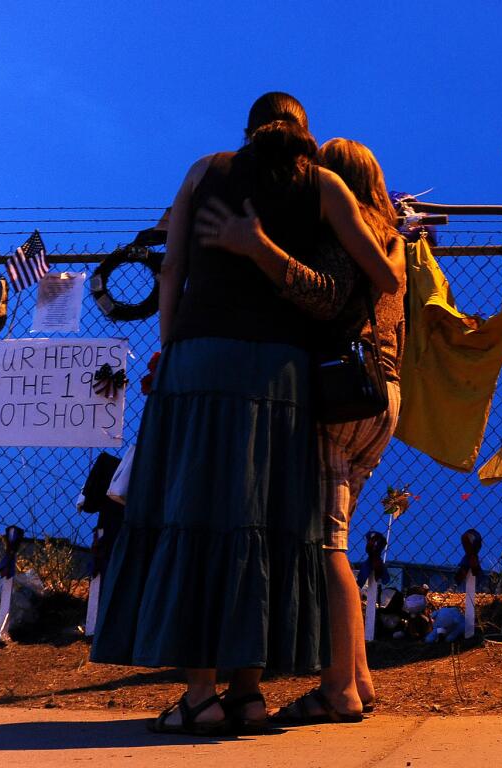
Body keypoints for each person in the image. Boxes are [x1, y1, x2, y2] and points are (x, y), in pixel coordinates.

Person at [90, 92, 399, 737]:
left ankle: (199, 693)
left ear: (249, 130)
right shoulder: (325, 186)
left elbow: (172, 269)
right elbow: (385, 275)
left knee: (197, 511)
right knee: (260, 519)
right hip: (282, 375)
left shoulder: (205, 172)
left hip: (201, 363)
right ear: (305, 134)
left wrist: (171, 352)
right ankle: (248, 694)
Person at [198, 138, 406, 724]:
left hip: (340, 397)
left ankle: (337, 688)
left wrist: (260, 251)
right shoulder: (391, 240)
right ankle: (360, 679)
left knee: (327, 548)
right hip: (383, 396)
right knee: (337, 533)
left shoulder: (344, 230)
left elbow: (325, 295)